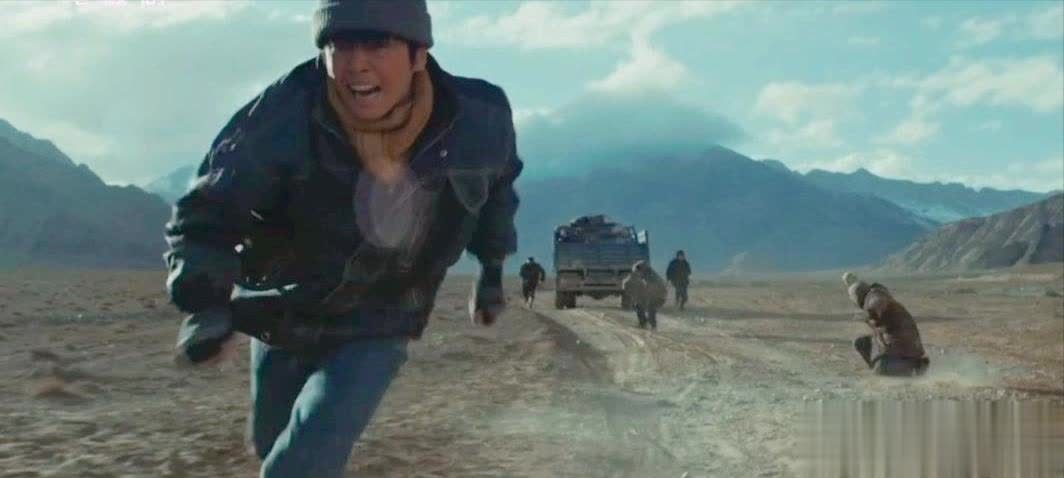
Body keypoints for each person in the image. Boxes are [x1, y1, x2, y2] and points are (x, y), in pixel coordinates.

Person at [163, 1, 522, 476]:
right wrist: (206, 304)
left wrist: (492, 268)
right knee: (271, 442)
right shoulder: (281, 115)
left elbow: (497, 192)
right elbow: (207, 211)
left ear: (418, 54)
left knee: (303, 460)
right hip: (283, 309)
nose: (356, 64)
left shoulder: (479, 118)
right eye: (341, 45)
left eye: (377, 44)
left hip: (383, 315)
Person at [842, 272, 930, 377]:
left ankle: (912, 367)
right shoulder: (879, 296)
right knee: (863, 341)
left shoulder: (874, 300)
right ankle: (911, 364)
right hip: (907, 349)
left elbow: (878, 303)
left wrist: (871, 313)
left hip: (905, 352)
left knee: (879, 369)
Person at [622, 261, 667, 330]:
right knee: (647, 308)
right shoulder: (649, 274)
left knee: (646, 307)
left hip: (654, 295)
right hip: (656, 295)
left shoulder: (646, 275)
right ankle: (649, 324)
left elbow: (628, 283)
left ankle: (647, 324)